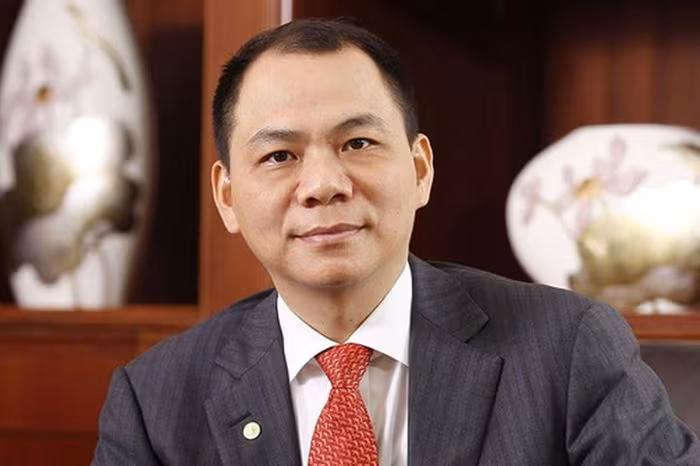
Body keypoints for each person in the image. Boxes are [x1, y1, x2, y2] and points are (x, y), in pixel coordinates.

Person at [92, 18, 700, 465]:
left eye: (358, 143)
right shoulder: (155, 401)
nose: (324, 185)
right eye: (280, 155)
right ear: (227, 196)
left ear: (420, 169)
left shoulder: (568, 350)